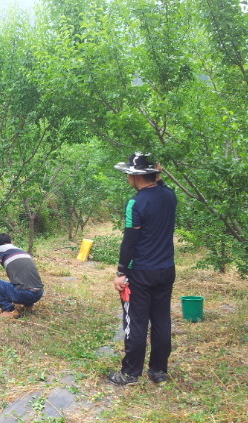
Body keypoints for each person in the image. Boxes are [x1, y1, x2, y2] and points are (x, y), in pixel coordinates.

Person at [108, 153, 177, 386]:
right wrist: (160, 176)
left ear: (133, 176)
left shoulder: (135, 203)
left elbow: (130, 241)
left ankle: (130, 374)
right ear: (155, 174)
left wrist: (121, 272)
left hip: (140, 272)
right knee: (161, 321)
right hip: (166, 270)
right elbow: (162, 186)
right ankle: (158, 371)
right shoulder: (170, 196)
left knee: (135, 322)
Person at [0, 233, 44, 318]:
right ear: (11, 242)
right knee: (23, 280)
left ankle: (9, 310)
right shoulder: (21, 250)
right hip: (38, 294)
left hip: (24, 294)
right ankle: (29, 306)